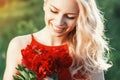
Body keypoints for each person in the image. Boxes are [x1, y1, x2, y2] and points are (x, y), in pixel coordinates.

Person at [3, 0, 111, 80]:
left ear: (81, 18)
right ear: (45, 4)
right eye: (54, 11)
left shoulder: (86, 50)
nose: (59, 22)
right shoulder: (19, 45)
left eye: (70, 17)